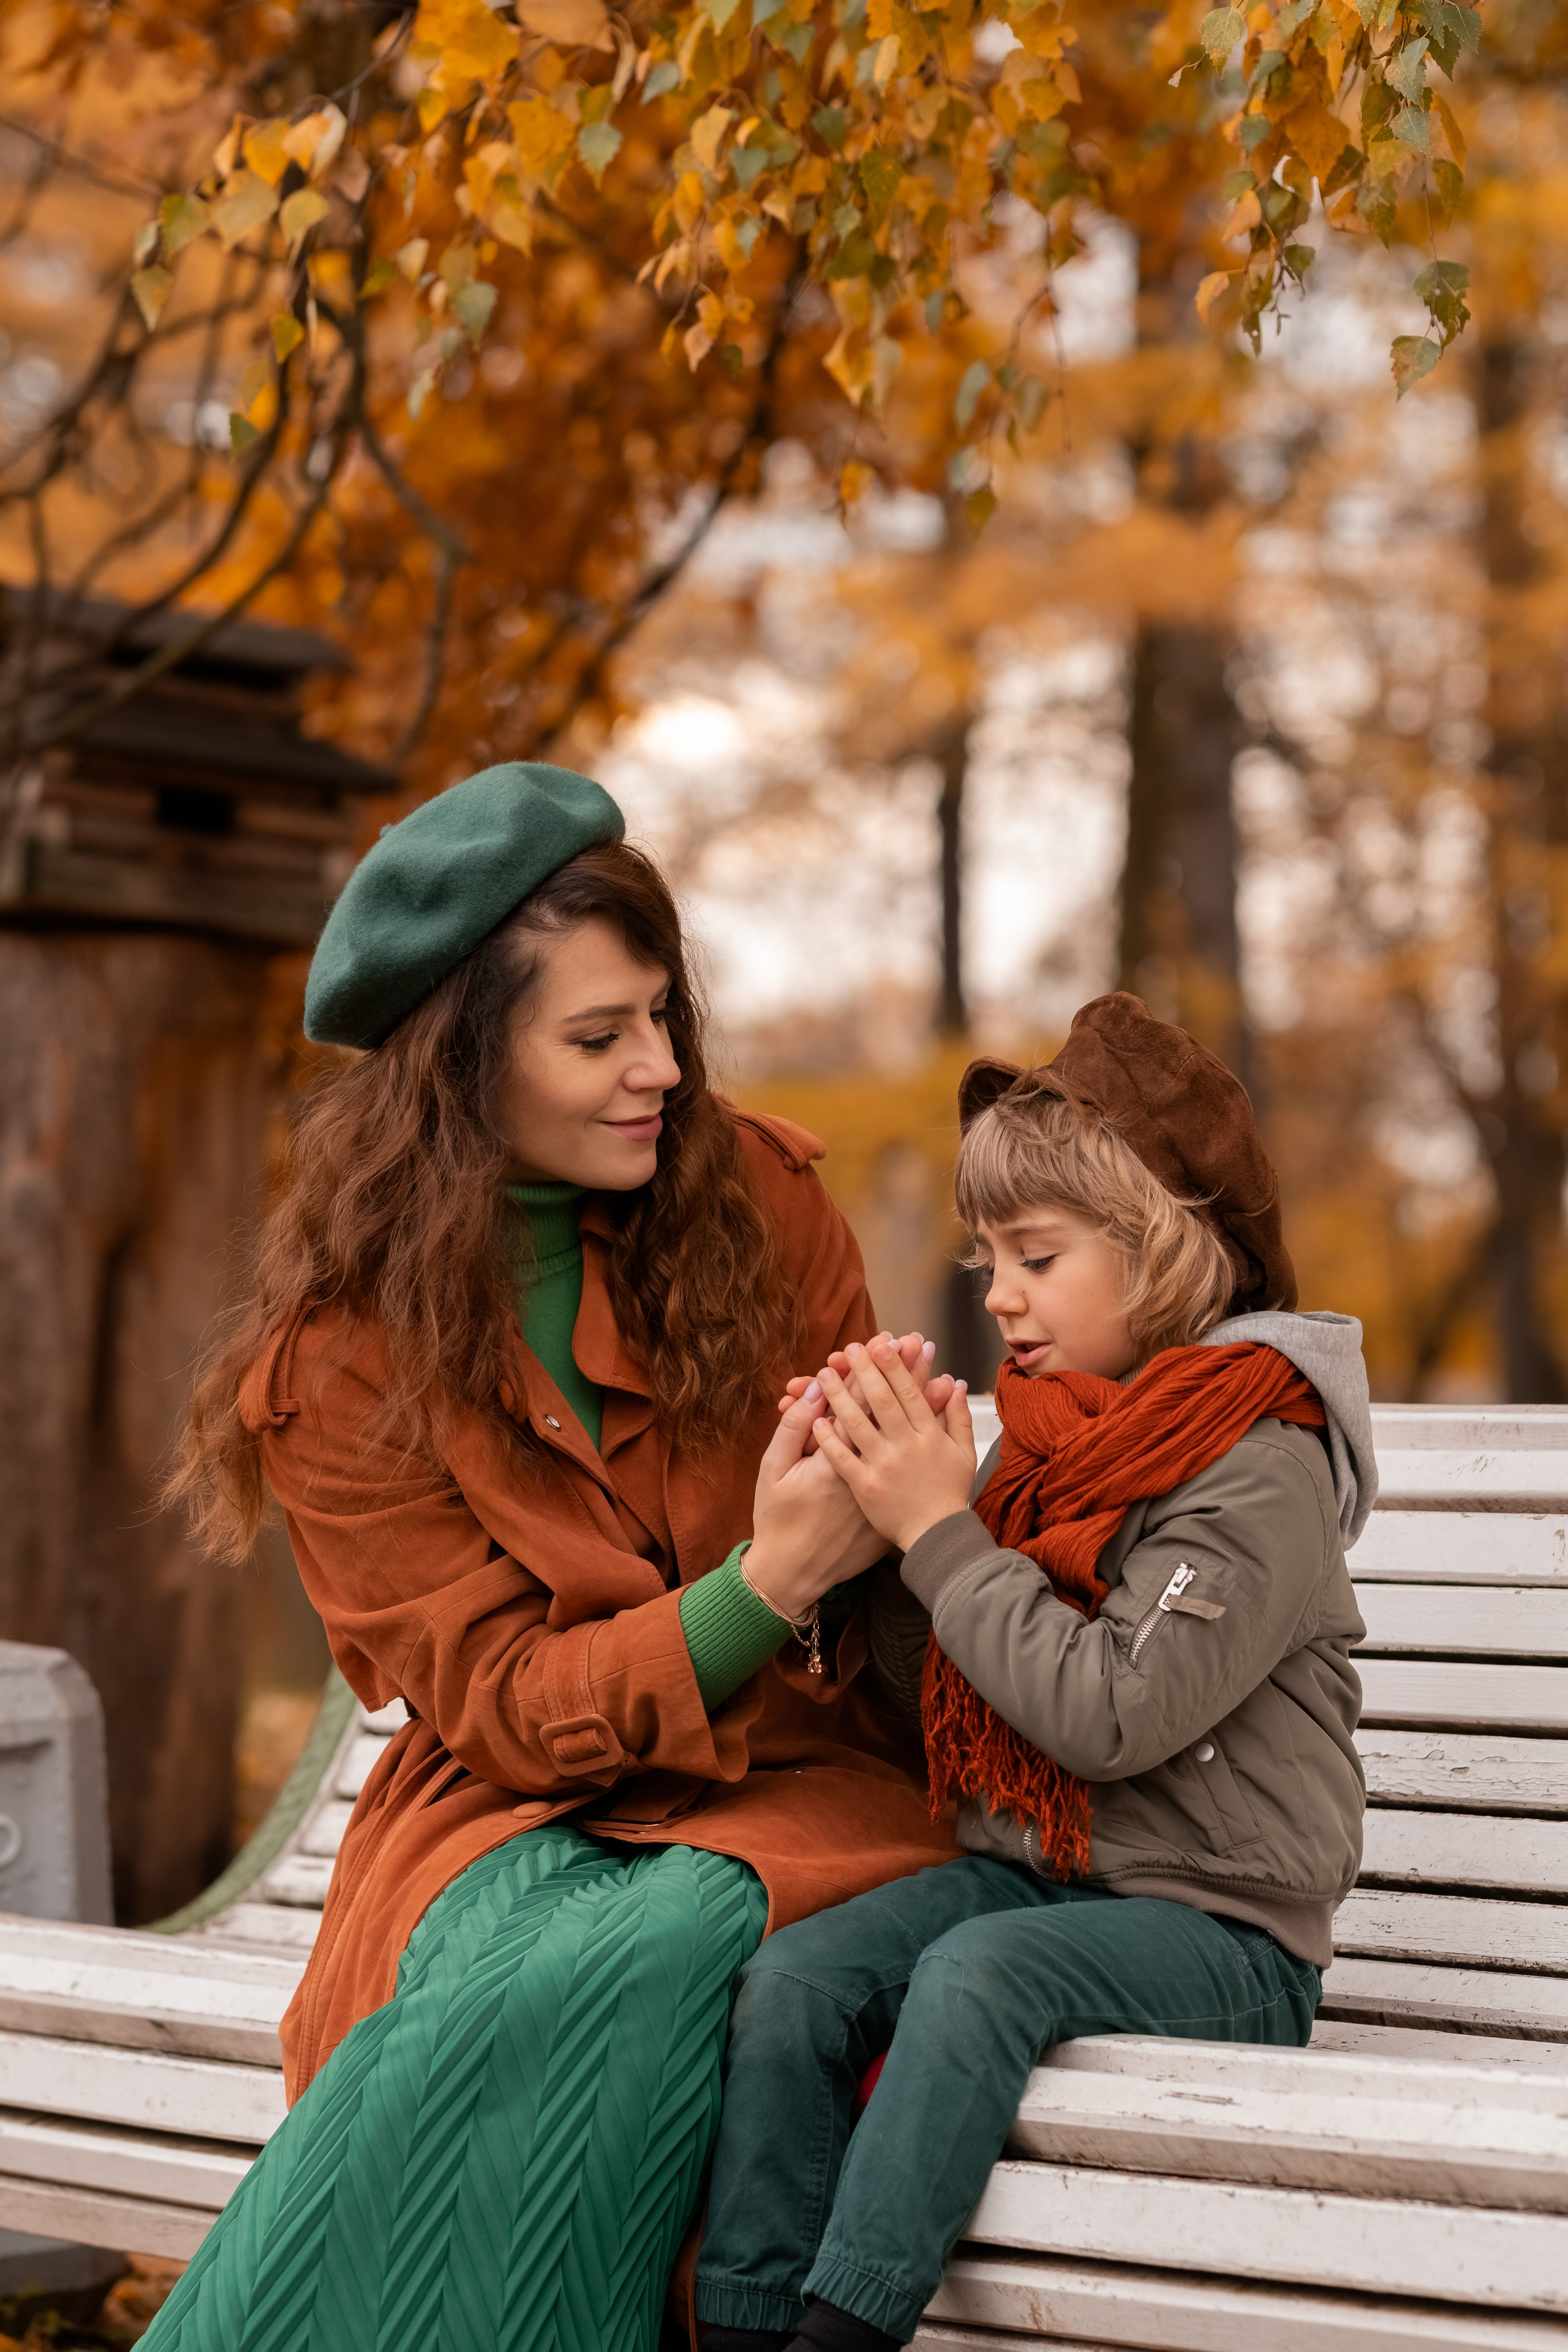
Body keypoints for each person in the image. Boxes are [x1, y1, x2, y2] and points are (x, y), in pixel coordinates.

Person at [147, 761, 960, 2352]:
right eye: (596, 1038)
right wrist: (765, 1579)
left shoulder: (765, 1209)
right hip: (511, 1801)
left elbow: (890, 1569)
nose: (657, 1067)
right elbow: (508, 1706)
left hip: (797, 1775)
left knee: (659, 1935)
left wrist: (912, 1516)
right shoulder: (336, 1359)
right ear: (457, 1068)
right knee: (506, 1979)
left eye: (661, 1016)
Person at [693, 993, 1373, 2352]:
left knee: (978, 1977)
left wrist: (942, 1529)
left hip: (1224, 1931)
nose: (993, 1291)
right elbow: (938, 1682)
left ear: (1162, 1247)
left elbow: (1108, 1713)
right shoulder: (1044, 1442)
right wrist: (861, 1537)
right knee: (800, 1979)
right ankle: (742, 2323)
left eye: (1035, 1255)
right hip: (1040, 1872)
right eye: (984, 1254)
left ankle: (842, 2334)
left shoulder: (1260, 1464)